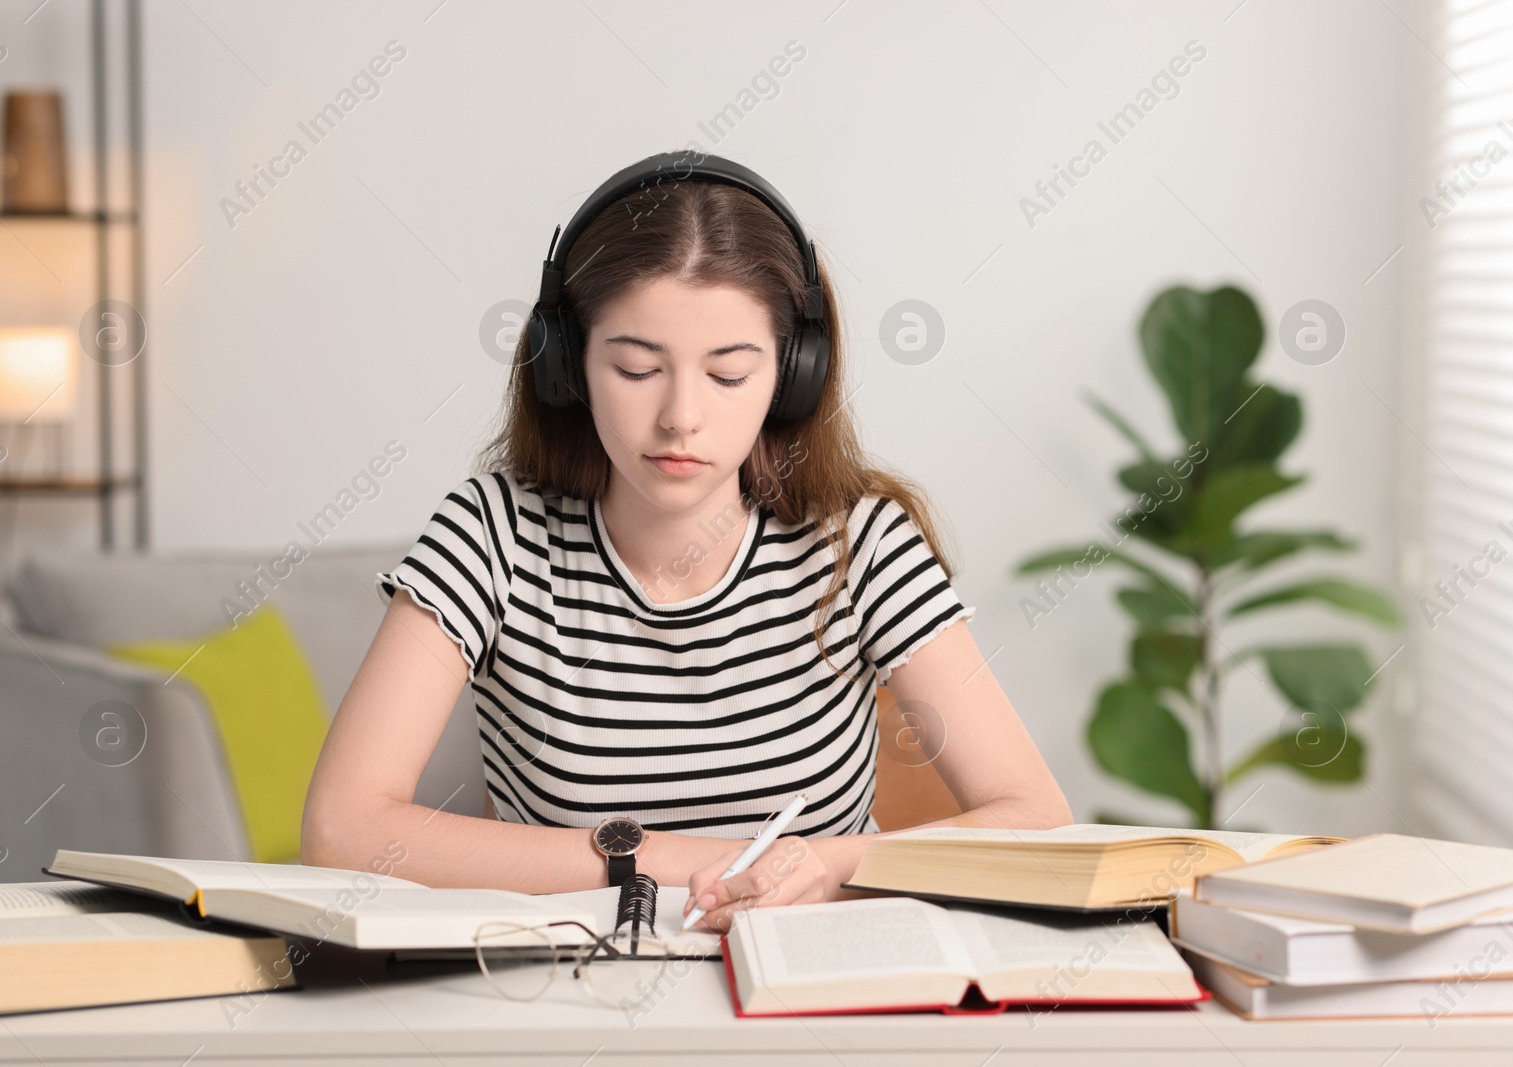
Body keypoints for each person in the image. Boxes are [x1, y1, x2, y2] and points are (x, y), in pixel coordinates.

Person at [302, 151, 1071, 933]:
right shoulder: (493, 534)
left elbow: (1036, 813)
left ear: (793, 375)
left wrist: (834, 864)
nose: (680, 417)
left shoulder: (860, 541)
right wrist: (657, 857)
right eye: (637, 368)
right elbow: (343, 830)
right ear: (567, 365)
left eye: (729, 375)